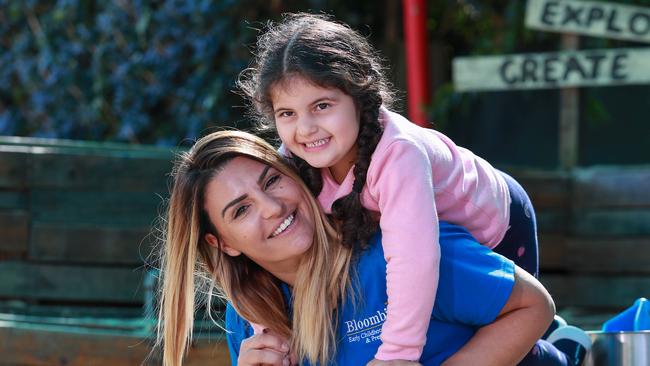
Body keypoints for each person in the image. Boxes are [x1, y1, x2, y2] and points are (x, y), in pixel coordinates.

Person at [238, 13, 539, 363]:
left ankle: (561, 350)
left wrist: (397, 355)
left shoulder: (399, 154)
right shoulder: (293, 159)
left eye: (321, 106)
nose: (305, 129)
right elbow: (258, 259)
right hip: (432, 239)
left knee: (512, 342)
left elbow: (414, 259)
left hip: (498, 221)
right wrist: (265, 330)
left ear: (358, 95)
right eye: (287, 113)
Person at [156, 131, 587, 366]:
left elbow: (533, 306)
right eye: (241, 210)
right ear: (222, 243)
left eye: (272, 181)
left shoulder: (400, 252)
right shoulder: (248, 318)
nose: (272, 207)